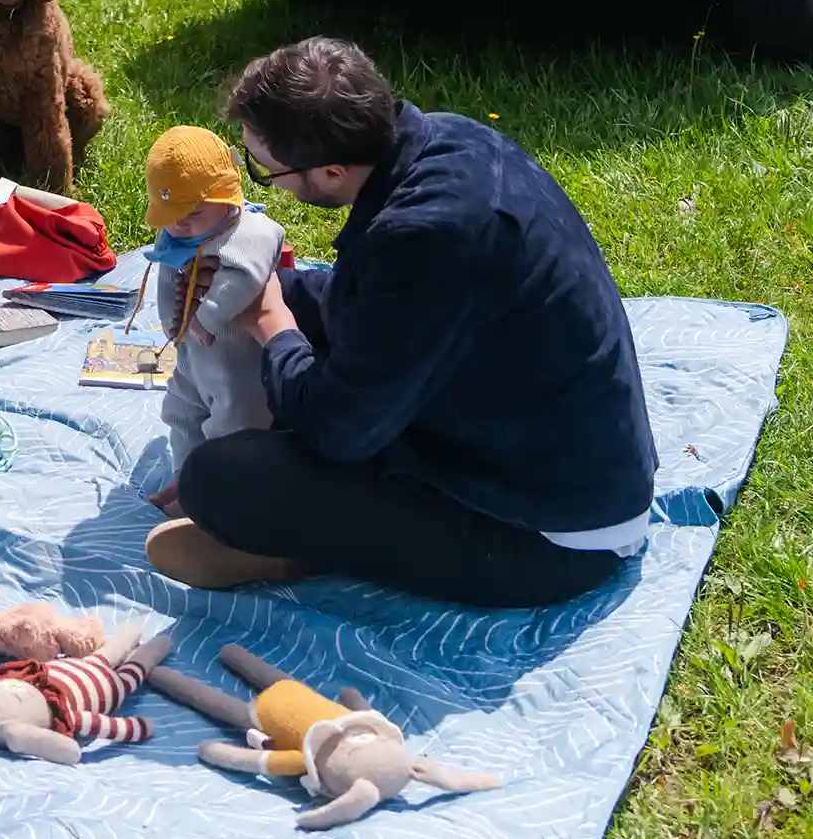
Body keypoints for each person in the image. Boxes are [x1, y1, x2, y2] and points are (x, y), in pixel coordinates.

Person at [145, 37, 657, 607]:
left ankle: (294, 548)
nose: (267, 182)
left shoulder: (423, 237)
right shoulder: (446, 138)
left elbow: (339, 431)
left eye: (265, 171)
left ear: (332, 171)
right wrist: (272, 295)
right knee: (277, 312)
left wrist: (272, 322)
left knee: (219, 479)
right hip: (535, 443)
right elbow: (369, 304)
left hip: (543, 538)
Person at [140, 126, 282, 515]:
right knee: (181, 414)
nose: (181, 224)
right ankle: (189, 482)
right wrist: (173, 322)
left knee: (234, 426)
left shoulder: (249, 231)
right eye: (171, 215)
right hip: (192, 359)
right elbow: (167, 278)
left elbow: (244, 276)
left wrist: (205, 317)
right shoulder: (177, 235)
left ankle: (222, 501)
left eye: (194, 213)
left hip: (238, 364)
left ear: (227, 198)